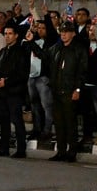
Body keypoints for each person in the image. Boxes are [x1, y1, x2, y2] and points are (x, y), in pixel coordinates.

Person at [26, 21, 87, 162]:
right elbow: (43, 55)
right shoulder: (56, 48)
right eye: (62, 32)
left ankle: (72, 152)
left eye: (66, 32)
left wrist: (77, 89)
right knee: (59, 123)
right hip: (56, 90)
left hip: (70, 91)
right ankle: (61, 151)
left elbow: (82, 72)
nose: (63, 34)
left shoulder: (78, 49)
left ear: (73, 33)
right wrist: (31, 43)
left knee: (70, 123)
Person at [0, 25, 30, 158]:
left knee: (17, 121)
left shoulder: (21, 51)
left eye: (10, 33)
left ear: (16, 35)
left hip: (14, 92)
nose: (7, 36)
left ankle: (21, 150)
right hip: (1, 93)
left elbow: (22, 73)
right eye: (5, 33)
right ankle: (3, 148)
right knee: (3, 121)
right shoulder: (2, 51)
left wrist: (6, 82)